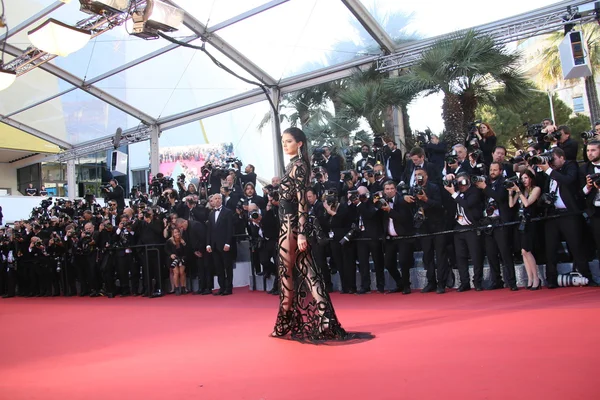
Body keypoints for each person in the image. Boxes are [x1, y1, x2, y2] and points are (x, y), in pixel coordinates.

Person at [271, 127, 372, 342]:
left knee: (286, 276)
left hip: (290, 228)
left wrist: (299, 234)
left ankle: (283, 325)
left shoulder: (298, 166)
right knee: (310, 274)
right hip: (291, 227)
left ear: (299, 144)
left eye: (288, 141)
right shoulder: (294, 164)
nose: (285, 145)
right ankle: (325, 319)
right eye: (283, 141)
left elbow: (301, 201)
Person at [508, 170, 542, 290]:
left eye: (526, 178)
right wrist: (511, 192)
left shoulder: (536, 189)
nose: (524, 180)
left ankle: (536, 278)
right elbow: (511, 205)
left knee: (526, 250)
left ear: (531, 178)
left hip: (531, 222)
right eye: (522, 178)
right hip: (521, 222)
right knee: (523, 252)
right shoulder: (521, 190)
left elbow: (527, 203)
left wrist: (518, 191)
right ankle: (530, 278)